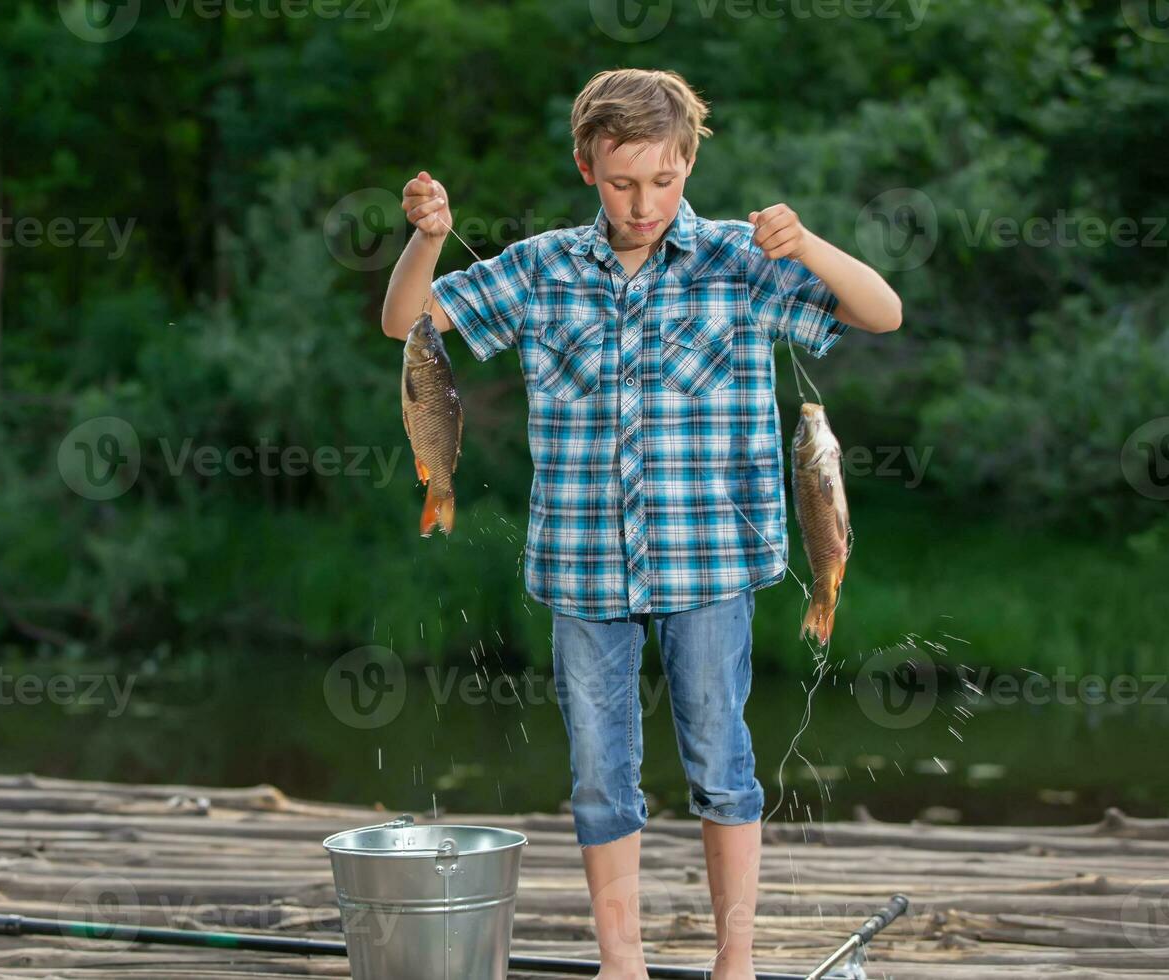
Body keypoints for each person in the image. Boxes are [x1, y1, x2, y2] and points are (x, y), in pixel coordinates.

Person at [380, 67, 902, 980]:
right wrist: (425, 240)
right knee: (598, 775)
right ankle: (621, 964)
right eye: (623, 181)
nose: (643, 201)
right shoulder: (543, 266)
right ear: (588, 166)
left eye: (663, 180)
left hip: (714, 564)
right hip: (581, 567)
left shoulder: (744, 262)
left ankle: (731, 959)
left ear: (689, 162)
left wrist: (810, 244)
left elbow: (883, 312)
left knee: (723, 763)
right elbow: (404, 323)